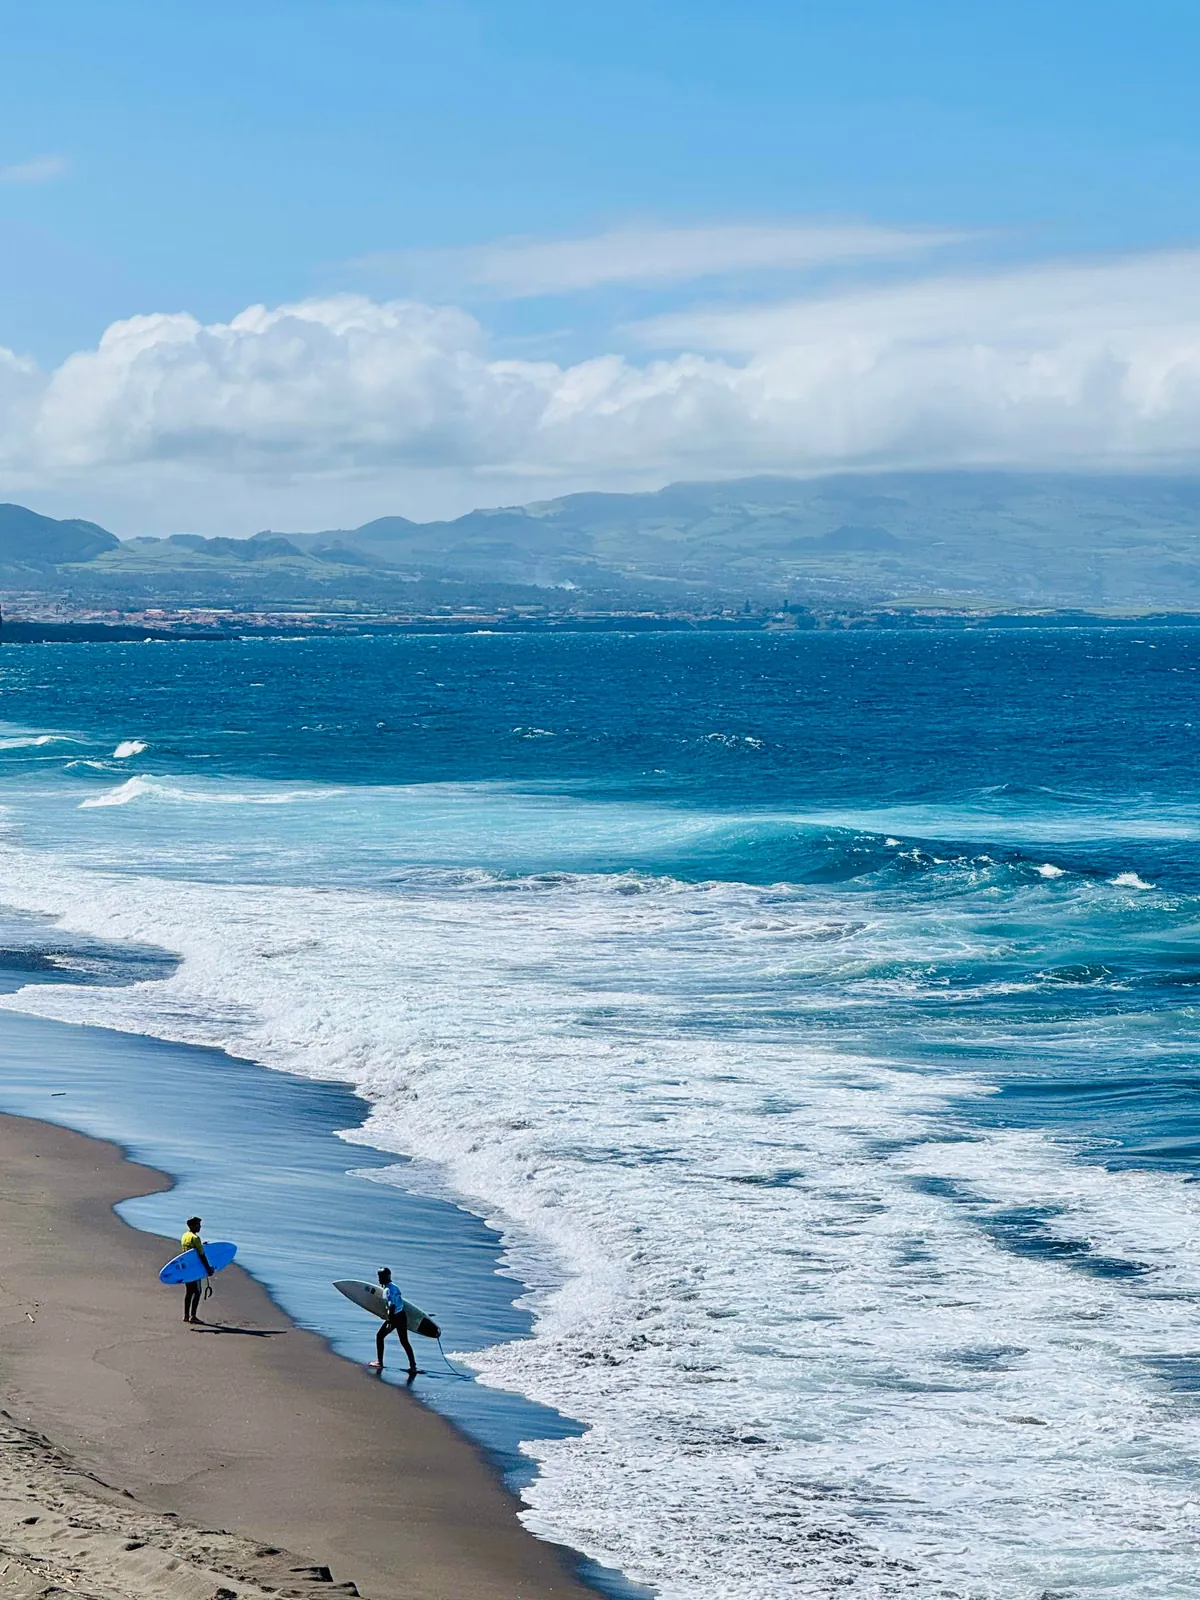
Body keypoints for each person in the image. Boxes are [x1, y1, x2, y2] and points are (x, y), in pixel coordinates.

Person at [368, 1266, 417, 1377]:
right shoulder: (394, 1287)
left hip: (395, 1317)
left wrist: (390, 1320)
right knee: (404, 1341)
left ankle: (379, 1362)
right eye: (379, 1276)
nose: (379, 1279)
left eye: (382, 1277)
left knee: (379, 1336)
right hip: (402, 1316)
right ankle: (413, 1367)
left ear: (388, 1276)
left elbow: (392, 1305)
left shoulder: (388, 1290)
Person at [180, 1216, 213, 1325]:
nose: (200, 1227)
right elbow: (201, 1255)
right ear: (193, 1225)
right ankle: (193, 1316)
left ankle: (186, 1315)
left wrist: (202, 1246)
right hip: (194, 1269)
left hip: (186, 1268)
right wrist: (208, 1269)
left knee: (189, 1292)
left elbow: (190, 1251)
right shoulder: (195, 1238)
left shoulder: (185, 1236)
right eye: (198, 1225)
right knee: (197, 1292)